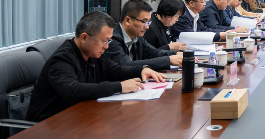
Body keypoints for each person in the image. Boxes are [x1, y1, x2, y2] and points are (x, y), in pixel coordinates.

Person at [26, 11, 166, 122]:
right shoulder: (62, 60)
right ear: (84, 37)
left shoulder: (94, 55)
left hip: (79, 117)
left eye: (108, 41)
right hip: (48, 126)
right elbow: (73, 90)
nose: (106, 47)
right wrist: (120, 86)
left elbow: (117, 70)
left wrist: (142, 69)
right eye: (104, 41)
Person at [104, 0, 183, 69]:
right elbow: (126, 65)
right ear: (128, 20)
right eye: (144, 22)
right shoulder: (111, 38)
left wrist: (177, 53)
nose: (147, 27)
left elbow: (154, 53)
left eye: (148, 22)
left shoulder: (137, 37)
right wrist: (168, 60)